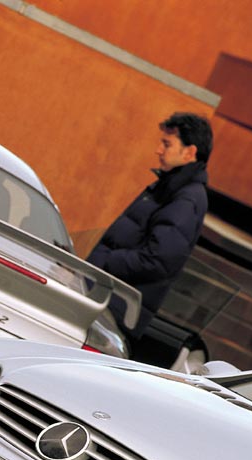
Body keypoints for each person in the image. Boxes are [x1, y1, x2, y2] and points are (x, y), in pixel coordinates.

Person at [88, 112, 213, 340]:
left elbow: (157, 260)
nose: (158, 150)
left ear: (189, 152)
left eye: (167, 144)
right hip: (107, 298)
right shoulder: (171, 186)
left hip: (116, 308)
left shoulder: (186, 199)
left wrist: (103, 261)